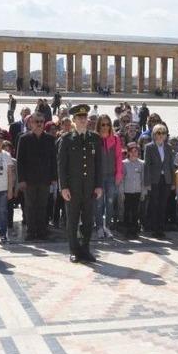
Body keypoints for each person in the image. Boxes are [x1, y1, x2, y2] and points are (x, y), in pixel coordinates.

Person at [58, 104, 103, 262]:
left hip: (89, 188)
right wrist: (63, 187)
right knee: (73, 220)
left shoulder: (95, 138)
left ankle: (85, 249)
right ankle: (74, 250)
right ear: (74, 120)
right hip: (73, 188)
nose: (83, 120)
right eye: (80, 118)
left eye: (85, 117)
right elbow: (61, 166)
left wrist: (98, 185)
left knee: (88, 220)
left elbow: (99, 164)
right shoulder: (66, 139)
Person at [17, 112, 58, 241]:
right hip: (29, 180)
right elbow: (20, 161)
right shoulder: (24, 139)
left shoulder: (50, 139)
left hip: (45, 179)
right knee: (30, 206)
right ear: (31, 123)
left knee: (42, 205)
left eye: (41, 122)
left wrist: (53, 177)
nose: (39, 124)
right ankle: (31, 231)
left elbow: (53, 159)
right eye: (37, 122)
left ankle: (42, 231)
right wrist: (21, 180)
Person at [144, 124, 175, 238]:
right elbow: (147, 165)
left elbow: (171, 165)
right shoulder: (149, 147)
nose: (161, 135)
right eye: (158, 133)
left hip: (165, 179)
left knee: (163, 204)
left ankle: (161, 228)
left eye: (163, 133)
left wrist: (172, 182)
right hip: (154, 179)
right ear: (154, 134)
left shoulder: (168, 147)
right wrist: (147, 182)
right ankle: (154, 228)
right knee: (154, 204)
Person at [95, 114, 123, 239]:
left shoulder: (116, 139)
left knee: (110, 203)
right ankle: (99, 227)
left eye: (107, 124)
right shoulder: (94, 139)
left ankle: (107, 227)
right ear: (99, 125)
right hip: (99, 177)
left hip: (112, 176)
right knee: (99, 204)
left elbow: (118, 158)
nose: (105, 127)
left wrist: (119, 175)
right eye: (103, 124)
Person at [121, 142, 146, 239]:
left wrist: (143, 192)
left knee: (136, 212)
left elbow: (143, 179)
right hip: (127, 191)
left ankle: (134, 231)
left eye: (137, 151)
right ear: (129, 152)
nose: (135, 153)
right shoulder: (124, 164)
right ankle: (126, 231)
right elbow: (122, 179)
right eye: (133, 151)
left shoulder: (141, 163)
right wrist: (121, 192)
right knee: (127, 211)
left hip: (137, 191)